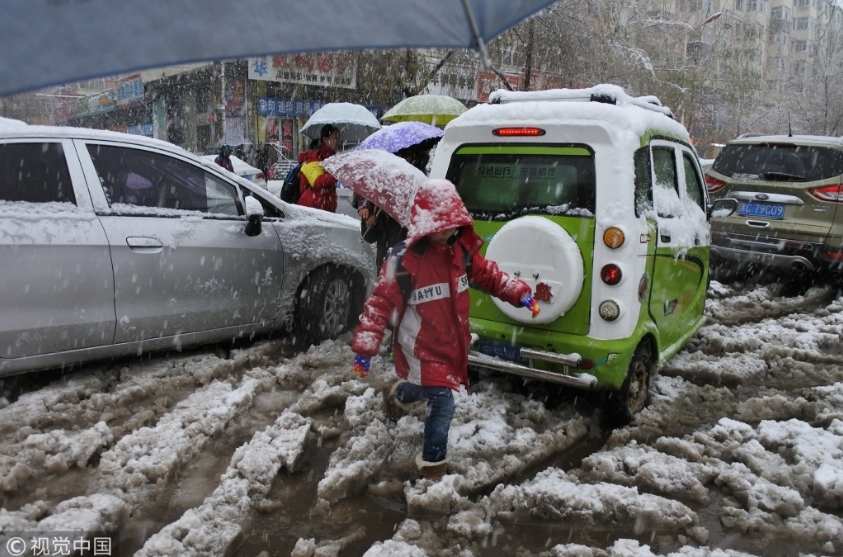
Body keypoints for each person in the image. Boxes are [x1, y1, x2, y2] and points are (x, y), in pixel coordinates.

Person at [350, 179, 541, 481]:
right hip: (420, 346)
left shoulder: (461, 253)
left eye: (452, 224)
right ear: (425, 222)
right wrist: (364, 349)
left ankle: (399, 393)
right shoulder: (404, 261)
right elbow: (380, 305)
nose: (447, 231)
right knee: (442, 401)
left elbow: (489, 276)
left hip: (451, 342)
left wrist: (519, 293)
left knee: (426, 388)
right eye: (440, 224)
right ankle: (433, 466)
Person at [297, 124, 339, 212]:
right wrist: (337, 172)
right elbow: (317, 182)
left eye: (338, 138)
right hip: (310, 211)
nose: (337, 141)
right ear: (325, 139)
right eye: (335, 138)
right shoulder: (313, 158)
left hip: (323, 211)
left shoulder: (329, 159)